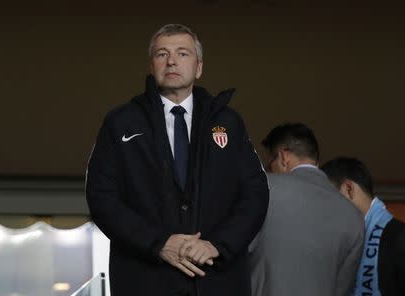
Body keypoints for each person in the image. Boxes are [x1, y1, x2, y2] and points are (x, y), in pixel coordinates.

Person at [86, 24, 269, 296]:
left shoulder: (228, 123)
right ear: (152, 65)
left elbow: (255, 194)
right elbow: (102, 197)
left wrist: (217, 245)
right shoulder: (120, 122)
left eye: (183, 53)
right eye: (162, 54)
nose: (171, 61)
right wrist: (158, 243)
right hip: (146, 281)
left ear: (199, 67)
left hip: (217, 279)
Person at [249, 122, 364, 296]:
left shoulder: (264, 190)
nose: (268, 169)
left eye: (269, 164)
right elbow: (342, 288)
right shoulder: (353, 215)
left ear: (283, 157)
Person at [321, 157, 405, 296]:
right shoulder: (342, 243)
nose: (325, 211)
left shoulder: (399, 237)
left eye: (327, 199)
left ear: (348, 189)